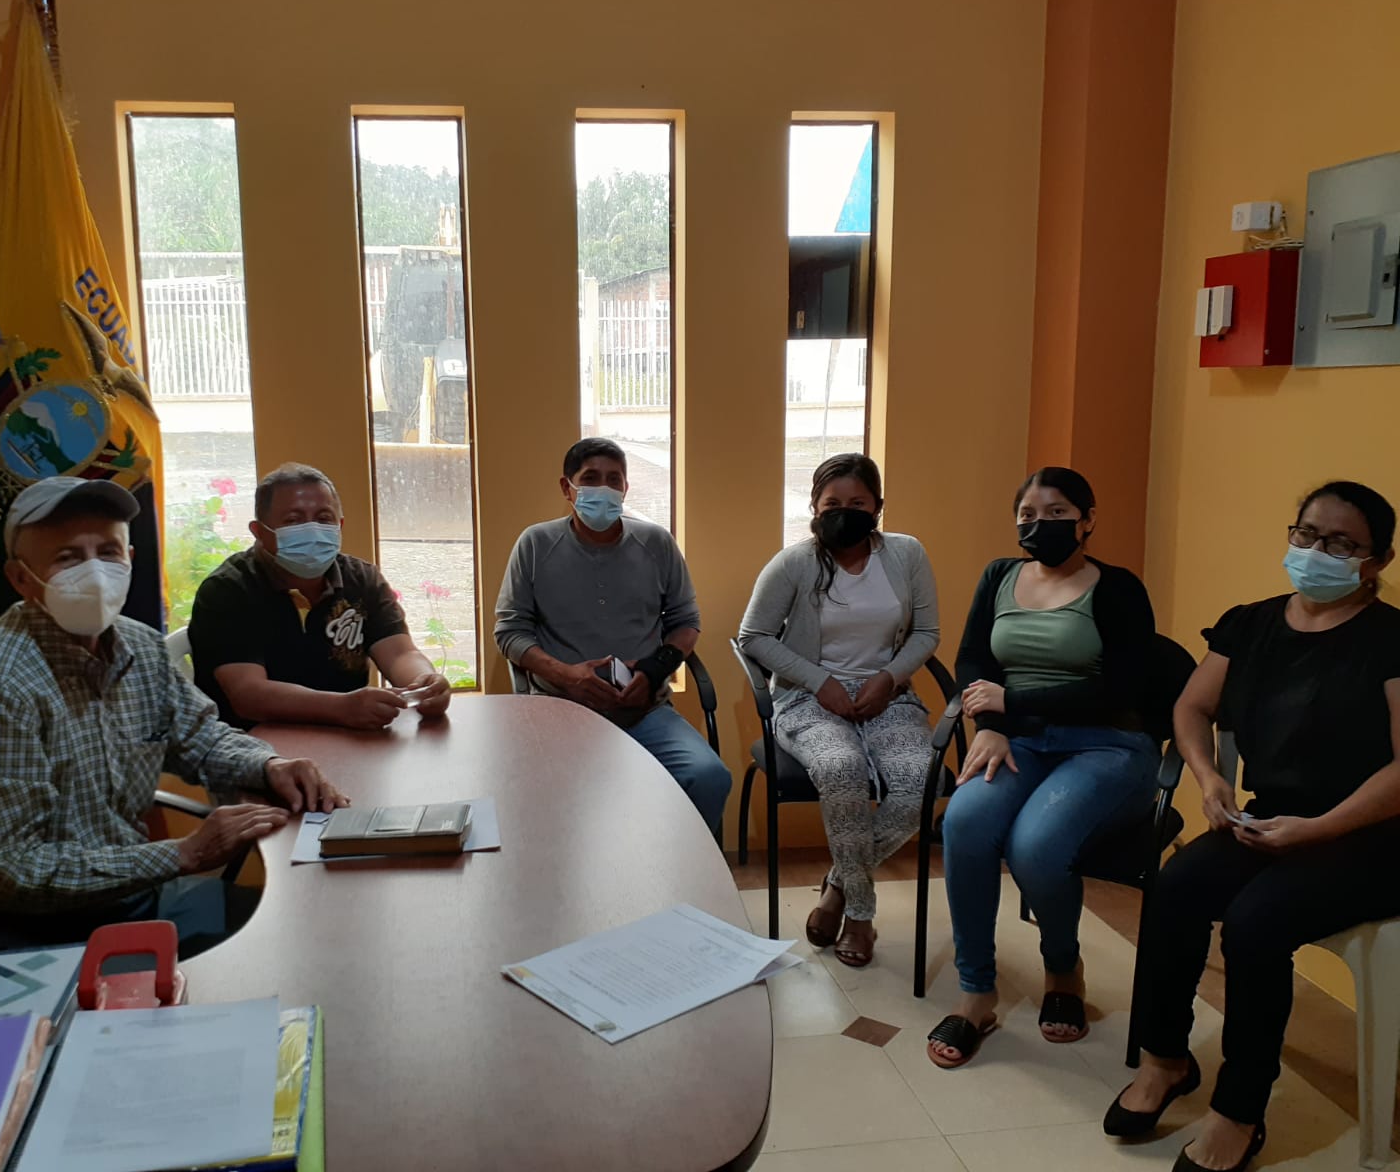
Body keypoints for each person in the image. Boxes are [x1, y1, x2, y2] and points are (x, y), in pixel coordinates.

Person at [0, 476, 348, 954]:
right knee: (273, 959)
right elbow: (8, 871)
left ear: (130, 559)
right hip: (34, 935)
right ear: (21, 578)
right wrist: (184, 853)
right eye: (68, 558)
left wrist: (270, 765)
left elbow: (200, 737)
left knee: (312, 928)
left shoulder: (138, 646)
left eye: (108, 552)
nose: (94, 573)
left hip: (134, 899)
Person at [1104, 481, 1400, 1172]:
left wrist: (1319, 829)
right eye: (1307, 534)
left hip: (1370, 836)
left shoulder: (1391, 640)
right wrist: (1210, 780)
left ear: (1377, 561)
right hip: (1269, 818)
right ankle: (1165, 1060)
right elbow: (1191, 707)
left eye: (1340, 543)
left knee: (1256, 922)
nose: (1316, 551)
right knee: (1176, 887)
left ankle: (1239, 1110)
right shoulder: (1252, 623)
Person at [926, 466, 1160, 1069]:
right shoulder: (999, 576)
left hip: (1108, 744)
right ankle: (977, 992)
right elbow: (973, 658)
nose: (1040, 524)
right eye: (1027, 515)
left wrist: (1014, 702)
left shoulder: (1118, 588)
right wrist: (991, 724)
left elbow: (1124, 690)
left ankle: (1062, 968)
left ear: (1088, 520)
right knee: (965, 823)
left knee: (1036, 846)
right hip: (1019, 741)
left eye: (1057, 513)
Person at [738, 454, 938, 966]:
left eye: (857, 503)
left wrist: (888, 678)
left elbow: (926, 634)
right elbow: (753, 636)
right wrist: (818, 680)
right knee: (840, 767)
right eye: (832, 504)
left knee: (920, 781)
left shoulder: (907, 554)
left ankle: (837, 886)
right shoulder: (793, 563)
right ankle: (861, 916)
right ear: (814, 506)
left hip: (889, 695)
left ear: (878, 508)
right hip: (808, 698)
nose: (844, 512)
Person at [494, 438, 731, 832]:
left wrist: (653, 671)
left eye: (613, 479)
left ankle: (675, 866)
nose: (603, 489)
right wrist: (566, 675)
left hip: (645, 712)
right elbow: (510, 630)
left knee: (709, 777)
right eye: (590, 478)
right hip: (562, 712)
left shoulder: (657, 544)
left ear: (625, 488)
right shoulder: (535, 544)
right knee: (549, 797)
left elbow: (686, 621)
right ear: (567, 487)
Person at [190, 463, 451, 730]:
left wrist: (426, 683)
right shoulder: (227, 590)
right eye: (293, 520)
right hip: (254, 743)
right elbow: (249, 696)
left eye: (324, 518)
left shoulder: (362, 580)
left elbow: (399, 654)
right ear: (259, 531)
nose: (312, 529)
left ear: (340, 525)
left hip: (350, 736)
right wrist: (342, 708)